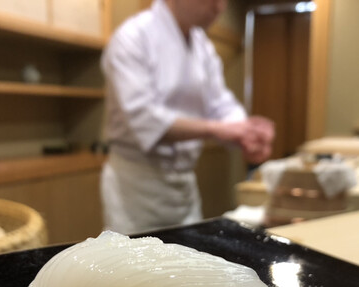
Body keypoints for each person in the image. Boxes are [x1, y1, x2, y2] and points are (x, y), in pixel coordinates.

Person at [100, 0, 275, 235]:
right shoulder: (133, 36)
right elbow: (143, 117)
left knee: (188, 251)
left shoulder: (202, 45)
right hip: (137, 186)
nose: (219, 8)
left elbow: (219, 103)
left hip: (184, 184)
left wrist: (246, 132)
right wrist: (216, 129)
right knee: (136, 255)